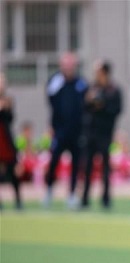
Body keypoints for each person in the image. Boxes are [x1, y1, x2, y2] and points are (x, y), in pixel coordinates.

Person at [44, 51, 88, 209]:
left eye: (71, 65)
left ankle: (71, 195)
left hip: (77, 132)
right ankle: (48, 190)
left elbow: (86, 104)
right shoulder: (55, 81)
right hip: (59, 130)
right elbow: (50, 101)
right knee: (54, 160)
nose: (69, 68)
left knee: (76, 164)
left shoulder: (81, 83)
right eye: (66, 65)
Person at [81, 60, 123, 209]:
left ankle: (106, 199)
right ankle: (84, 198)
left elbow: (116, 110)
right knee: (87, 167)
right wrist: (90, 101)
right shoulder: (92, 88)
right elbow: (85, 107)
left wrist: (102, 104)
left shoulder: (113, 90)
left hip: (105, 133)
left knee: (105, 167)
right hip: (90, 133)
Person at [0, 71, 22, 209]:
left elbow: (10, 118)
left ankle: (18, 201)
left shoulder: (7, 100)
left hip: (6, 141)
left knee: (12, 170)